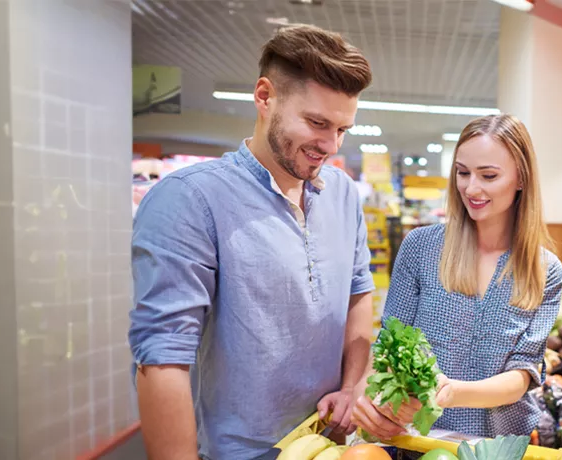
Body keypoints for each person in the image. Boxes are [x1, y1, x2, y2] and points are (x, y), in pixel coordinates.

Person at [128, 24, 376, 459]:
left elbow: (358, 295)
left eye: (342, 129)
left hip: (330, 446)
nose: (330, 145)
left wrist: (353, 387)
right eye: (317, 123)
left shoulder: (341, 193)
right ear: (265, 97)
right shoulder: (191, 199)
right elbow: (163, 356)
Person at [352, 114, 562, 439]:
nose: (471, 188)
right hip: (419, 436)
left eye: (489, 175)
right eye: (462, 173)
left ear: (521, 179)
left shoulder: (544, 270)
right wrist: (370, 394)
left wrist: (453, 392)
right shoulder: (421, 248)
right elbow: (389, 343)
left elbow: (523, 373)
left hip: (499, 443)